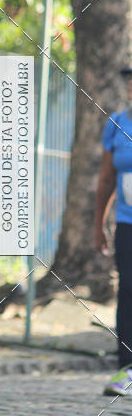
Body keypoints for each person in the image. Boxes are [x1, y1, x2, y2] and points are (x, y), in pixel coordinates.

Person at [94, 66, 132, 396]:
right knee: (128, 291)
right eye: (130, 83)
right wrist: (99, 224)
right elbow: (107, 179)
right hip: (127, 223)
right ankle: (127, 368)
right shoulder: (117, 124)